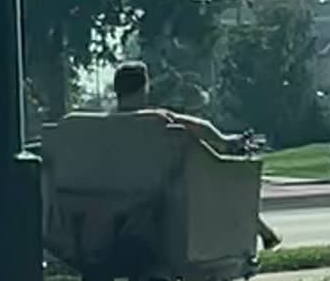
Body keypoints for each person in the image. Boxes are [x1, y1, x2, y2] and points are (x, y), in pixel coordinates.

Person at [112, 61, 282, 250]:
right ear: (144, 87)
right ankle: (264, 233)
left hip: (114, 190)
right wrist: (225, 141)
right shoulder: (155, 119)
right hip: (161, 190)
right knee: (223, 187)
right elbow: (200, 127)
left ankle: (265, 232)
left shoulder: (102, 124)